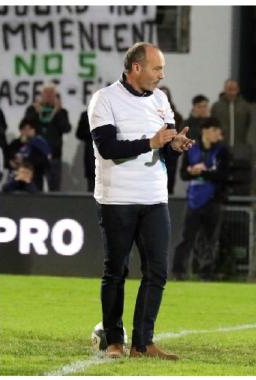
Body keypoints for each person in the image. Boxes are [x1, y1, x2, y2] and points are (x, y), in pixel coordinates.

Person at [87, 42, 193, 360]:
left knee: (157, 271)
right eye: (156, 68)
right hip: (117, 198)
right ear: (137, 68)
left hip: (154, 197)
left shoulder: (161, 99)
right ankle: (115, 342)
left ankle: (143, 344)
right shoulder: (104, 100)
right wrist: (151, 142)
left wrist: (176, 143)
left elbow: (168, 137)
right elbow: (107, 148)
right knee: (116, 271)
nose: (161, 74)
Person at [172, 117, 229, 281]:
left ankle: (206, 273)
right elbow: (183, 174)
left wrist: (201, 172)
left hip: (214, 200)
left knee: (210, 239)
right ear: (205, 130)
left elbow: (223, 175)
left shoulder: (222, 151)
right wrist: (192, 171)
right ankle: (179, 271)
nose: (218, 134)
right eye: (215, 130)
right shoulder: (190, 149)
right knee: (187, 237)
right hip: (194, 200)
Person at [24, 83, 71, 191]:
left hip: (54, 156)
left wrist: (57, 112)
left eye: (51, 93)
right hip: (35, 156)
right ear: (41, 95)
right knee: (35, 189)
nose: (48, 96)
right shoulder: (33, 109)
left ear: (55, 95)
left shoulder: (61, 111)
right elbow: (25, 125)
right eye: (46, 93)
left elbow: (66, 128)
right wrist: (36, 111)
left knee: (54, 189)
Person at [6, 118, 50, 191]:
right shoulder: (15, 143)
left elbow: (44, 162)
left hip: (34, 180)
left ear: (34, 130)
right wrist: (10, 163)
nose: (27, 131)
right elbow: (7, 157)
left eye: (30, 129)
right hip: (15, 179)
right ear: (20, 130)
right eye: (24, 129)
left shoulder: (40, 144)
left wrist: (25, 160)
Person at [159, 86, 184, 194]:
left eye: (166, 95)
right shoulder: (149, 113)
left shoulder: (176, 116)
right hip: (155, 148)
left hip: (171, 149)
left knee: (170, 175)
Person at [211, 79, 251, 146]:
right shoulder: (216, 106)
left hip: (240, 146)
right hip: (221, 146)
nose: (232, 92)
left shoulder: (246, 107)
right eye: (229, 89)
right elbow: (212, 125)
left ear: (238, 89)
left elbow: (249, 125)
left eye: (234, 89)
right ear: (224, 89)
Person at [75, 111, 95, 192]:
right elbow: (79, 133)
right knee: (92, 186)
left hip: (109, 157)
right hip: (91, 155)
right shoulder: (86, 114)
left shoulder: (111, 112)